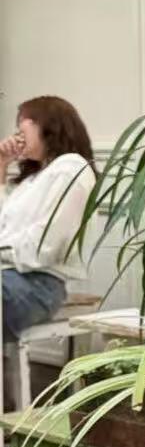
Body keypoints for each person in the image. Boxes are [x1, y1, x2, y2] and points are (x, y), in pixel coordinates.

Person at [0, 96, 96, 347]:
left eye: (23, 123)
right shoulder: (35, 179)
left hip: (36, 284)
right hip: (12, 277)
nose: (17, 131)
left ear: (48, 124)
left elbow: (43, 249)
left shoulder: (71, 169)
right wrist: (1, 164)